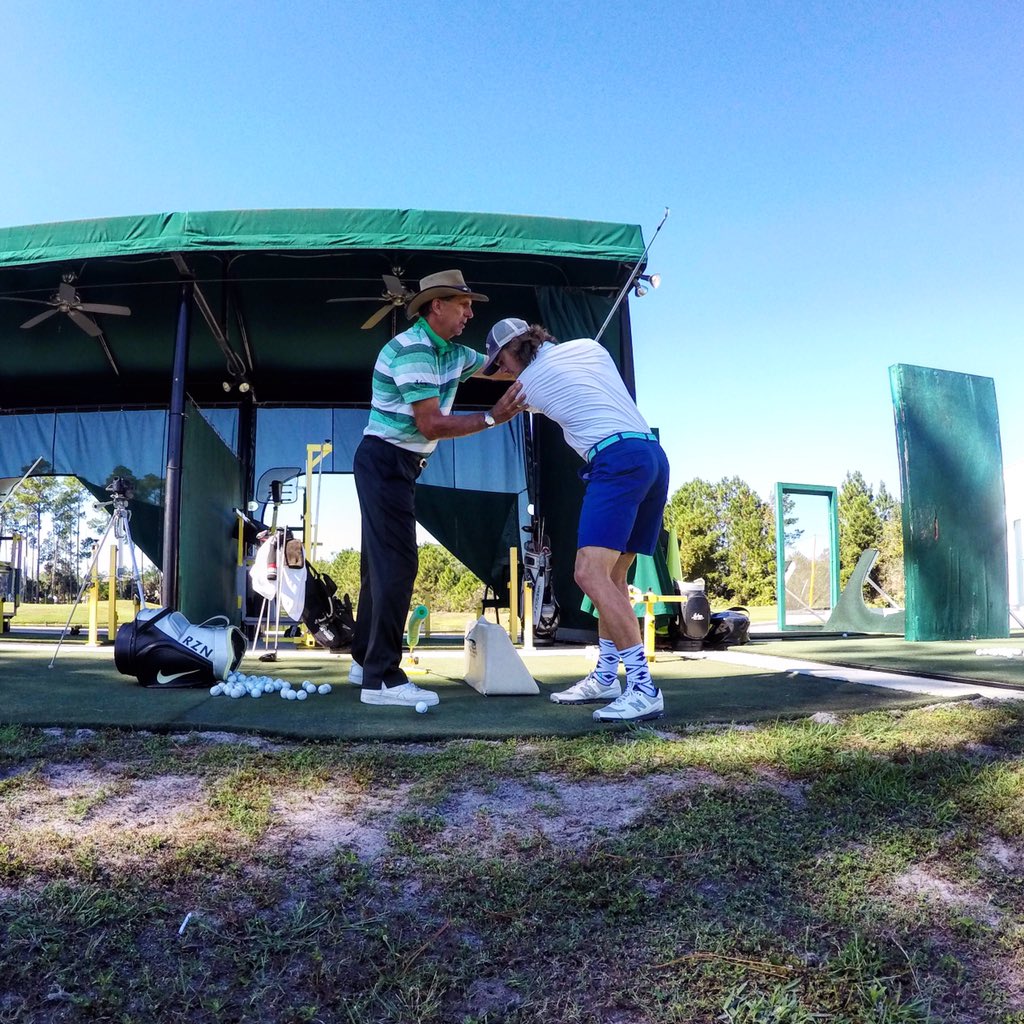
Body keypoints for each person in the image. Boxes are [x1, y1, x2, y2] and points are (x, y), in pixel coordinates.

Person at [351, 271, 526, 708]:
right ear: (436, 306)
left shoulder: (454, 353)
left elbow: (498, 369)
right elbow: (430, 424)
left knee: (379, 566)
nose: (470, 313)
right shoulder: (413, 350)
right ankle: (381, 680)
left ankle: (363, 661)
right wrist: (492, 418)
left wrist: (539, 365)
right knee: (397, 565)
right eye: (463, 305)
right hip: (384, 461)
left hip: (398, 465)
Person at [482, 317, 670, 723]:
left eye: (500, 363)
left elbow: (500, 402)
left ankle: (643, 688)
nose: (503, 373)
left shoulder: (527, 386)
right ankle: (606, 676)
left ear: (513, 351)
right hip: (652, 456)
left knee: (588, 574)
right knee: (613, 579)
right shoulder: (590, 346)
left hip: (616, 461)